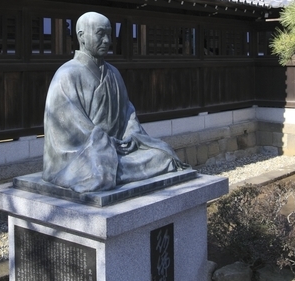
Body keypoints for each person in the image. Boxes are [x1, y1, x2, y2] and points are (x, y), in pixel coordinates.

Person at [42, 12, 187, 192]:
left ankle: (116, 166)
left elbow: (127, 112)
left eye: (109, 34)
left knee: (163, 154)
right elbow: (69, 127)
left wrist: (131, 134)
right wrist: (104, 142)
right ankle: (110, 167)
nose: (107, 40)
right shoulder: (66, 75)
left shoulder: (113, 73)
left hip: (117, 148)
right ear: (81, 36)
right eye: (100, 34)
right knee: (100, 169)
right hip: (86, 152)